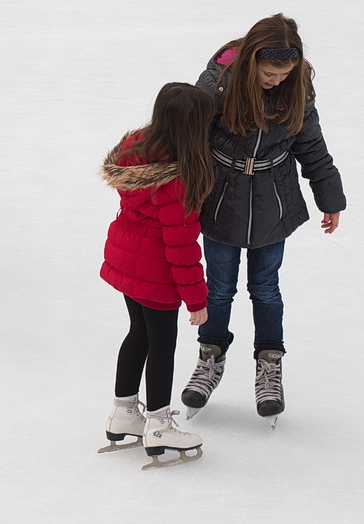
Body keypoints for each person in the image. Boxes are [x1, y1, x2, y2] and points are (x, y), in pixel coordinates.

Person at [180, 13, 346, 423]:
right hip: (221, 198)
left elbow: (312, 146)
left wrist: (330, 196)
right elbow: (189, 137)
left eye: (283, 74)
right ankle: (210, 357)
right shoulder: (219, 83)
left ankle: (269, 364)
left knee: (265, 288)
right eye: (269, 73)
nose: (275, 81)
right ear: (252, 59)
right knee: (218, 289)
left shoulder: (297, 90)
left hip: (274, 199)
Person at [99, 83, 216, 462]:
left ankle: (123, 412)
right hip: (156, 273)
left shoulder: (137, 147)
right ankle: (160, 425)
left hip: (127, 258)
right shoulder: (177, 178)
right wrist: (197, 299)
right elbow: (181, 249)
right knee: (162, 345)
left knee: (139, 335)